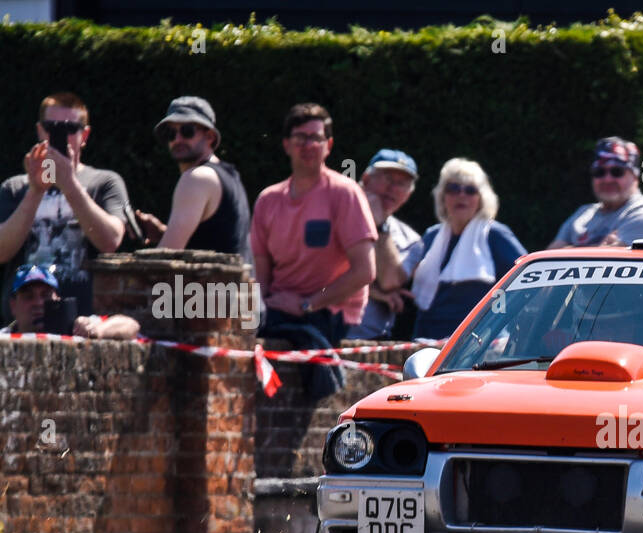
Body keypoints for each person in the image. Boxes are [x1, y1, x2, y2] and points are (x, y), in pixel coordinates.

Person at [250, 103, 376, 397]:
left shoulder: (344, 193)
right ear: (286, 144)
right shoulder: (268, 200)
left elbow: (365, 271)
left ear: (328, 145)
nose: (309, 145)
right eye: (300, 138)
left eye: (316, 138)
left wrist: (308, 303)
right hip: (280, 310)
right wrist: (259, 312)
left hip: (329, 313)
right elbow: (261, 271)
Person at [0, 92, 131, 323]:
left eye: (71, 128)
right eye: (53, 127)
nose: (63, 136)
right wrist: (36, 190)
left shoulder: (105, 182)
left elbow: (110, 241)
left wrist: (69, 184)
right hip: (22, 321)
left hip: (84, 320)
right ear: (40, 131)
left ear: (85, 135)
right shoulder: (15, 186)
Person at [393, 158, 526, 341]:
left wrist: (504, 326)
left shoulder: (495, 234)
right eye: (453, 188)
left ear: (481, 198)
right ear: (442, 196)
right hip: (428, 339)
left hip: (481, 343)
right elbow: (404, 278)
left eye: (470, 190)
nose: (461, 195)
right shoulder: (431, 236)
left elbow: (528, 278)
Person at [135, 96, 252, 262]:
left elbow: (163, 260)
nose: (177, 139)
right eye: (170, 133)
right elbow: (218, 243)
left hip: (213, 287)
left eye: (187, 131)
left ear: (210, 136)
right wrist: (164, 232)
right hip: (236, 286)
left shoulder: (196, 178)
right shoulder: (230, 175)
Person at [345, 149, 422, 340]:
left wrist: (380, 226)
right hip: (318, 329)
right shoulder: (335, 215)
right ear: (365, 179)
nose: (393, 188)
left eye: (402, 183)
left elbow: (390, 282)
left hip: (370, 342)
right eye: (387, 178)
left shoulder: (411, 240)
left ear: (409, 194)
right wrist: (373, 292)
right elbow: (317, 276)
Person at [548, 137, 643, 248]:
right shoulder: (582, 213)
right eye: (600, 172)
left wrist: (569, 249)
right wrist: (600, 248)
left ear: (635, 177)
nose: (607, 179)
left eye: (617, 171)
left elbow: (605, 265)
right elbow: (548, 261)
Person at [1, 263, 138, 339]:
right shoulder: (3, 339)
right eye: (28, 296)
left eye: (46, 295)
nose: (39, 303)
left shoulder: (75, 328)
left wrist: (96, 330)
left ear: (58, 299)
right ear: (13, 305)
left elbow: (131, 325)